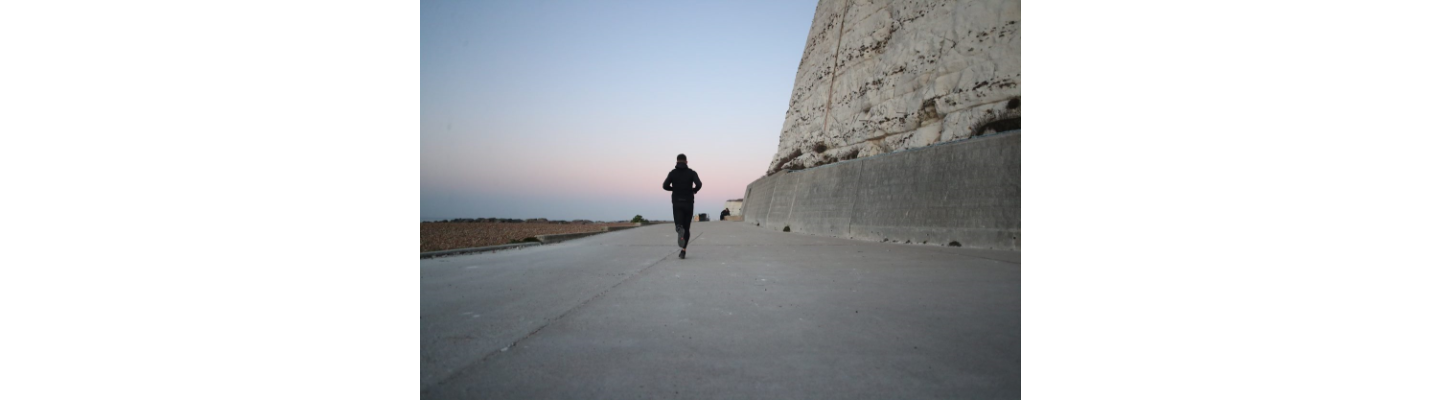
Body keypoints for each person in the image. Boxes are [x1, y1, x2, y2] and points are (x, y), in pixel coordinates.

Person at [663, 153, 702, 259]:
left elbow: (665, 186)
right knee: (687, 228)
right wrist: (694, 190)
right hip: (688, 202)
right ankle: (683, 251)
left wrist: (674, 188)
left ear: (676, 162)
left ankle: (678, 227)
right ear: (686, 162)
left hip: (677, 202)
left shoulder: (672, 173)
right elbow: (699, 184)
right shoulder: (692, 173)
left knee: (679, 225)